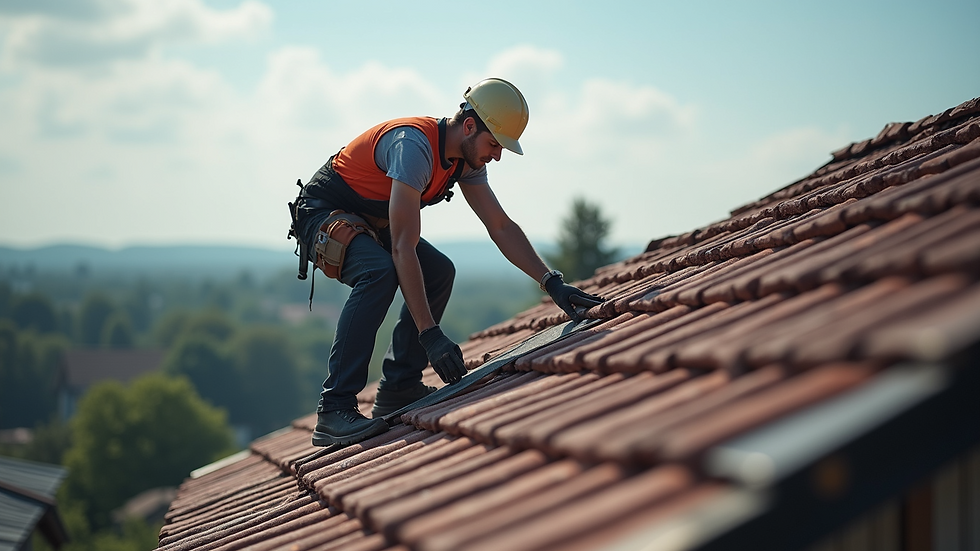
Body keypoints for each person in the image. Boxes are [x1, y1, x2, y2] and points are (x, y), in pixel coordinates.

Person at [292, 78, 603, 447]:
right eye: (494, 144)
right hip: (324, 213)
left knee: (439, 271)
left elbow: (500, 226)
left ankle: (399, 385)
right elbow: (403, 248)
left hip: (370, 221)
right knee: (378, 271)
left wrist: (551, 282)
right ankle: (334, 409)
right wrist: (430, 335)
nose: (498, 156)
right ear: (469, 126)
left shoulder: (465, 160)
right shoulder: (413, 149)